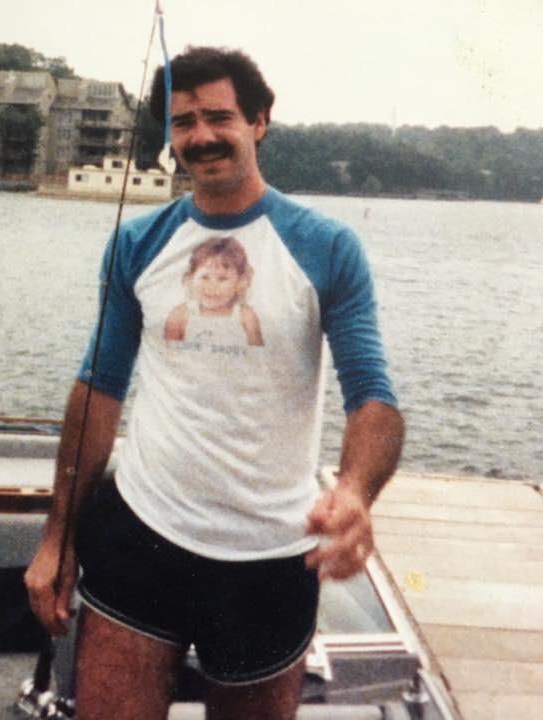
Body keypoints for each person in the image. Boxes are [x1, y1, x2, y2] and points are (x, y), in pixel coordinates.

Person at [25, 46, 404, 720]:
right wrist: (58, 535)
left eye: (218, 117)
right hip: (142, 531)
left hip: (271, 556)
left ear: (259, 121)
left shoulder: (326, 247)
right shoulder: (137, 244)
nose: (200, 136)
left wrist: (354, 490)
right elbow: (98, 391)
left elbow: (372, 397)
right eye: (182, 123)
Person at [163, 235, 263, 345]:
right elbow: (168, 353)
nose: (212, 286)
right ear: (190, 279)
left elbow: (258, 357)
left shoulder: (245, 316)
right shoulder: (181, 314)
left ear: (240, 283)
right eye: (204, 277)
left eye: (222, 279)